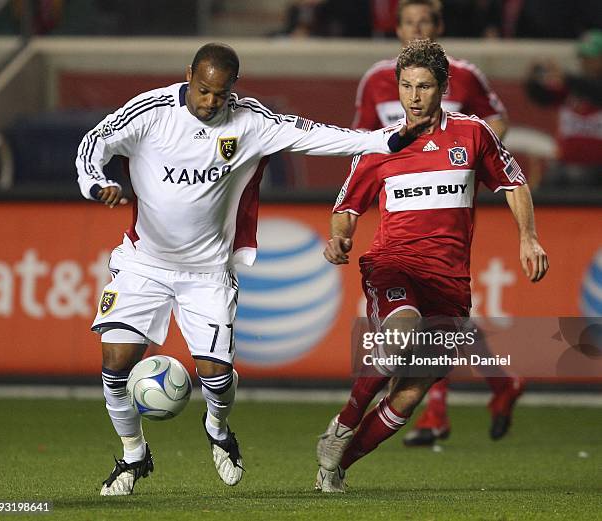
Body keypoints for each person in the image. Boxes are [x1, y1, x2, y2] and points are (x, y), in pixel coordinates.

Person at [75, 42, 424, 496]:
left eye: (220, 95)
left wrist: (385, 139)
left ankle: (218, 428)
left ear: (232, 89)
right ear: (189, 76)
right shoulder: (150, 112)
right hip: (144, 263)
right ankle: (132, 456)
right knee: (114, 365)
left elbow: (317, 135)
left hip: (208, 273)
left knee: (216, 378)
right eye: (202, 91)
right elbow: (93, 143)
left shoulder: (252, 121)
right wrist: (96, 182)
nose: (210, 102)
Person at [315, 38, 549, 492]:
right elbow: (347, 206)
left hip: (450, 281)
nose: (414, 97)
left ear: (443, 88)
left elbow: (514, 182)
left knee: (412, 389)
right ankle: (344, 422)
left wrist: (529, 237)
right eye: (406, 86)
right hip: (393, 264)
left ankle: (338, 462)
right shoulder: (379, 145)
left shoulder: (473, 133)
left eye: (424, 87)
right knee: (402, 332)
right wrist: (340, 236)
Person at [349, 0, 524, 447]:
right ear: (396, 29)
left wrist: (464, 162)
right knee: (435, 320)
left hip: (449, 199)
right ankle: (480, 392)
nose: (416, 29)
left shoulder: (465, 76)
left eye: (425, 22)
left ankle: (448, 406)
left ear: (439, 26)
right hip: (403, 202)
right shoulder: (375, 79)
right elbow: (361, 140)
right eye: (408, 22)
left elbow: (497, 119)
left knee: (442, 312)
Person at [525, 29, 602, 188]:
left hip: (597, 170)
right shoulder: (572, 89)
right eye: (583, 58)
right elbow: (541, 97)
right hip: (565, 167)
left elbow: (594, 90)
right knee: (551, 181)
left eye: (591, 58)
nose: (585, 63)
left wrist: (566, 78)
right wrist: (535, 78)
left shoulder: (579, 85)